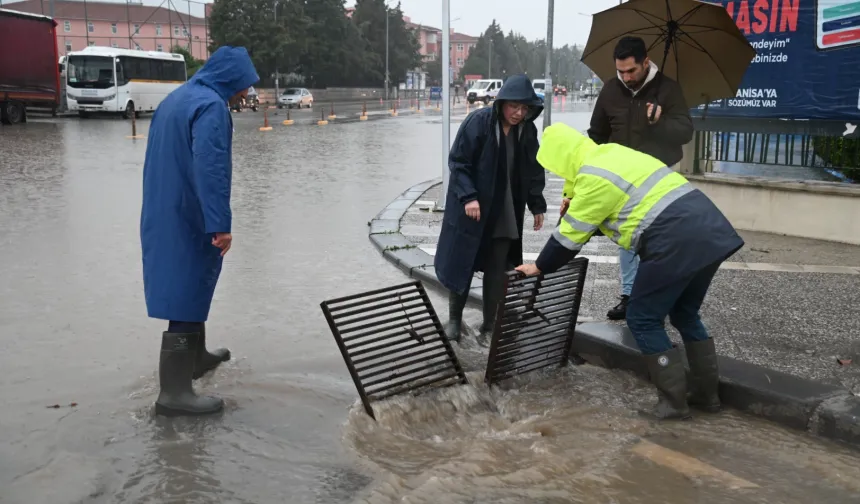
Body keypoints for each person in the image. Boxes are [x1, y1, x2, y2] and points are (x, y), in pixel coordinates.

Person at [517, 123, 744, 420]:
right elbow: (626, 211)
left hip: (673, 238)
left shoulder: (592, 179)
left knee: (643, 317)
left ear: (560, 159)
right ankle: (706, 394)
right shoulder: (613, 154)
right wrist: (582, 213)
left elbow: (567, 240)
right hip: (709, 229)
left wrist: (539, 266)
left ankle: (673, 404)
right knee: (685, 313)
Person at [140, 46, 259, 417]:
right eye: (244, 86)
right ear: (231, 79)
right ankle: (173, 393)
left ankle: (197, 358)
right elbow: (212, 169)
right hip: (190, 214)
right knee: (185, 289)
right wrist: (220, 224)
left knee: (190, 285)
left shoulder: (178, 98)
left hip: (164, 208)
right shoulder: (210, 107)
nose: (245, 94)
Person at [562, 36, 693, 321]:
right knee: (629, 238)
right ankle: (631, 296)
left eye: (631, 71)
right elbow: (595, 135)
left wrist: (660, 121)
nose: (626, 77)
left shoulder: (668, 90)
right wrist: (580, 182)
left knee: (658, 239)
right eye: (620, 71)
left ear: (646, 62)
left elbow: (685, 132)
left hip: (658, 177)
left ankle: (659, 296)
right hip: (622, 180)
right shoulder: (611, 90)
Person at [435, 74, 547, 343]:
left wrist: (536, 204)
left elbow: (533, 169)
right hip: (472, 205)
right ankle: (454, 320)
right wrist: (469, 197)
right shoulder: (479, 122)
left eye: (524, 109)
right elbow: (459, 162)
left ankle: (490, 324)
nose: (518, 113)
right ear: (501, 103)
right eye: (514, 107)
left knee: (498, 264)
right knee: (462, 260)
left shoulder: (527, 131)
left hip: (506, 205)